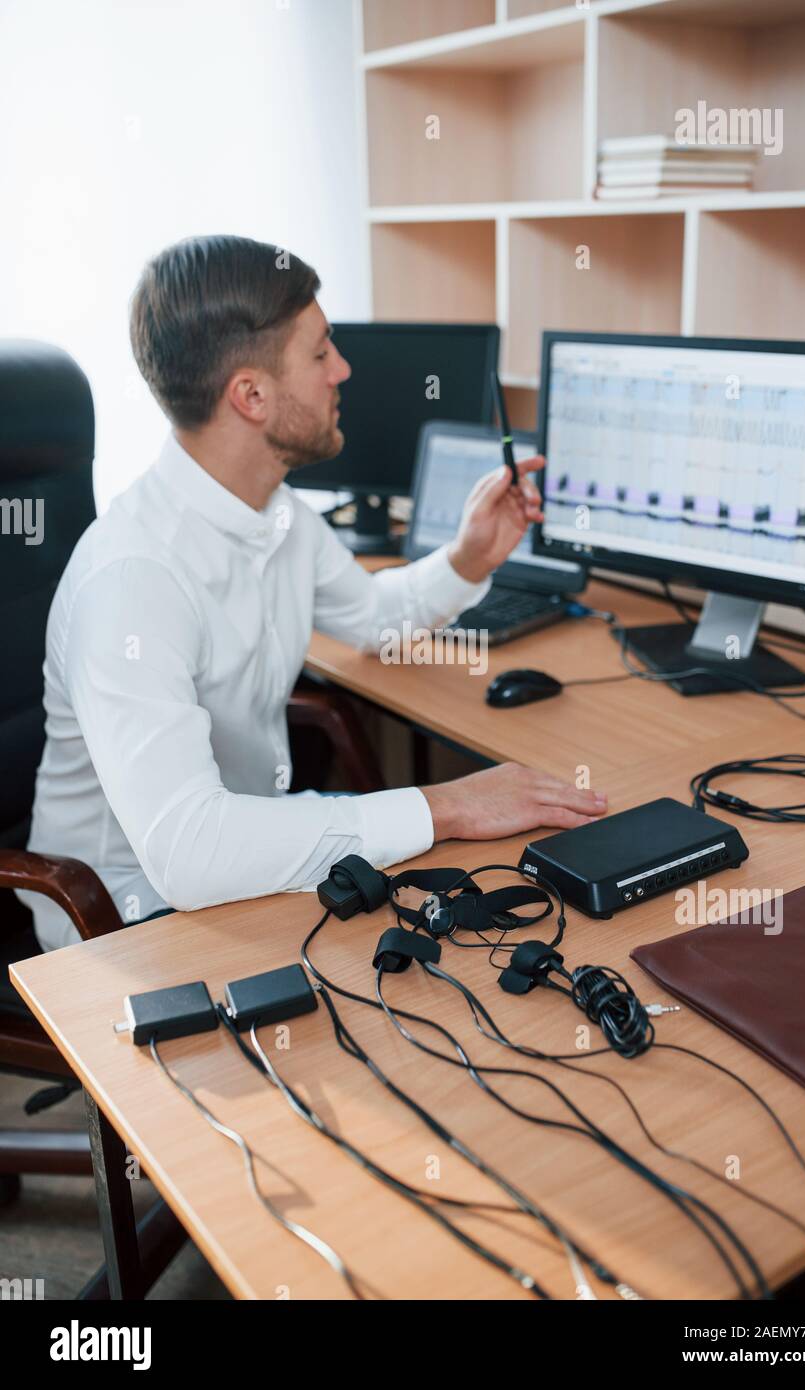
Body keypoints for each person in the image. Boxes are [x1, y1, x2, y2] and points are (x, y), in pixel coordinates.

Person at [18, 236, 607, 952]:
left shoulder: (278, 516)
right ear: (252, 395)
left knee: (487, 925)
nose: (343, 370)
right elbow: (189, 851)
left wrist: (467, 557)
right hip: (125, 915)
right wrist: (446, 804)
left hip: (245, 854)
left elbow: (375, 618)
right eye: (321, 352)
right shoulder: (134, 577)